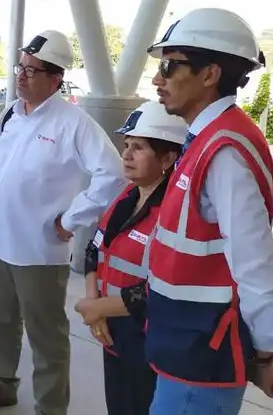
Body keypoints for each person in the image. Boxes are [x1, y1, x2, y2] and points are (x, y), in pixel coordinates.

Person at [0, 30, 126, 415]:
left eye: (32, 70)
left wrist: (72, 219)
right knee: (1, 319)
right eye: (21, 66)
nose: (21, 75)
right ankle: (2, 383)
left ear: (55, 78)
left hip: (38, 250)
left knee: (46, 335)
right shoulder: (11, 113)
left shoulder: (73, 122)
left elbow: (113, 173)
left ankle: (50, 408)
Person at [144, 8, 273, 414]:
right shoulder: (209, 137)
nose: (157, 79)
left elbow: (257, 266)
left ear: (209, 74)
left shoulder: (224, 150)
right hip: (187, 341)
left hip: (202, 356)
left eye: (170, 66)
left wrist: (262, 352)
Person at [72, 101, 188, 415]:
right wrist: (94, 303)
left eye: (138, 147)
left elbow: (164, 288)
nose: (126, 154)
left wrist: (98, 308)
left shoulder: (176, 214)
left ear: (168, 158)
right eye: (126, 145)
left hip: (148, 343)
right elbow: (94, 250)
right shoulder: (126, 196)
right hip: (113, 333)